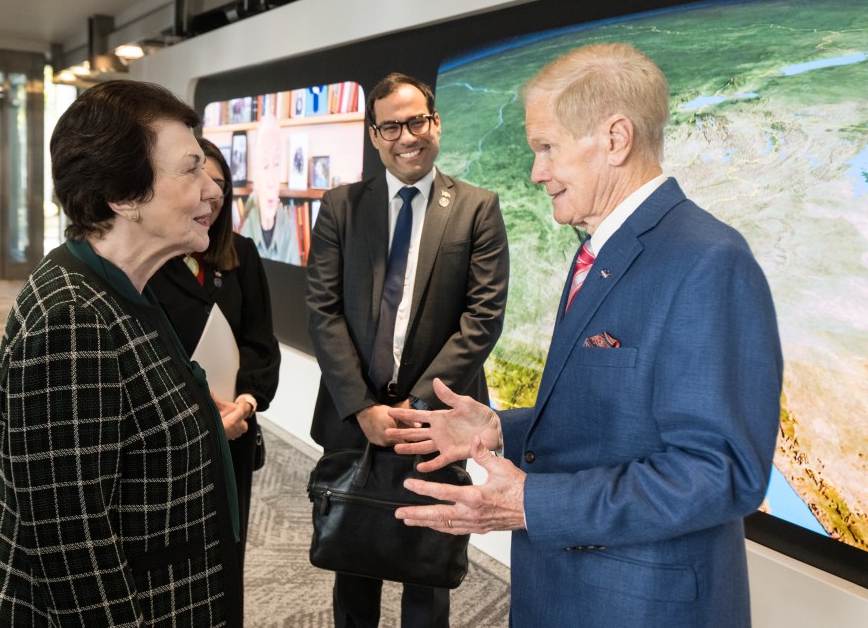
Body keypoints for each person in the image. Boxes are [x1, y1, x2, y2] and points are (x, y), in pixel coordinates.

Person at [386, 44, 783, 628]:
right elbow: (612, 421)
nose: (536, 171)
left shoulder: (710, 261)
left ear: (616, 139)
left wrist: (531, 503)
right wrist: (500, 427)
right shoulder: (603, 250)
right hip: (572, 591)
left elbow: (722, 471)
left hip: (643, 606)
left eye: (547, 148)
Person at [0, 80, 243, 627]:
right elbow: (70, 541)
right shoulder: (71, 315)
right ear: (123, 196)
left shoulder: (125, 287)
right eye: (190, 170)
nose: (213, 191)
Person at [306, 72, 510, 627]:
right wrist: (365, 407)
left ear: (435, 123)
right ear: (374, 135)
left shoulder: (477, 208)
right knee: (356, 561)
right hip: (355, 420)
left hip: (436, 423)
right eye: (390, 126)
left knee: (427, 573)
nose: (406, 136)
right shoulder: (341, 207)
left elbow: (482, 316)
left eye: (416, 121)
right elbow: (323, 311)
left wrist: (415, 411)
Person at [148, 137, 281, 575]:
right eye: (197, 177)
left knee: (227, 552)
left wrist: (245, 402)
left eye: (219, 182)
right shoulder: (148, 261)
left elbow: (260, 343)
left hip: (236, 428)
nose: (210, 192)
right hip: (170, 438)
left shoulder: (241, 253)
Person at [241, 114, 300, 264]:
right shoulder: (245, 230)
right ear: (256, 172)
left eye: (277, 164)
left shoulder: (288, 230)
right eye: (265, 165)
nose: (272, 181)